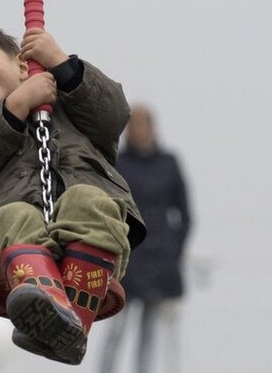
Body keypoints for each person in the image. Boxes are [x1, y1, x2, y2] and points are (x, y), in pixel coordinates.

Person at [0, 24, 146, 365]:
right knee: (13, 216)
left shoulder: (67, 104)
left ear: (22, 65)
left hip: (92, 235)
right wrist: (16, 106)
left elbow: (113, 115)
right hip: (15, 252)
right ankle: (44, 296)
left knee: (89, 200)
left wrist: (63, 65)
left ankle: (71, 319)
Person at [99, 105, 191, 373]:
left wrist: (174, 250)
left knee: (149, 332)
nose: (139, 130)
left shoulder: (168, 163)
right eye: (134, 125)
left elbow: (184, 213)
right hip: (127, 257)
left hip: (160, 259)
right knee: (116, 327)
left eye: (143, 124)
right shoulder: (119, 163)